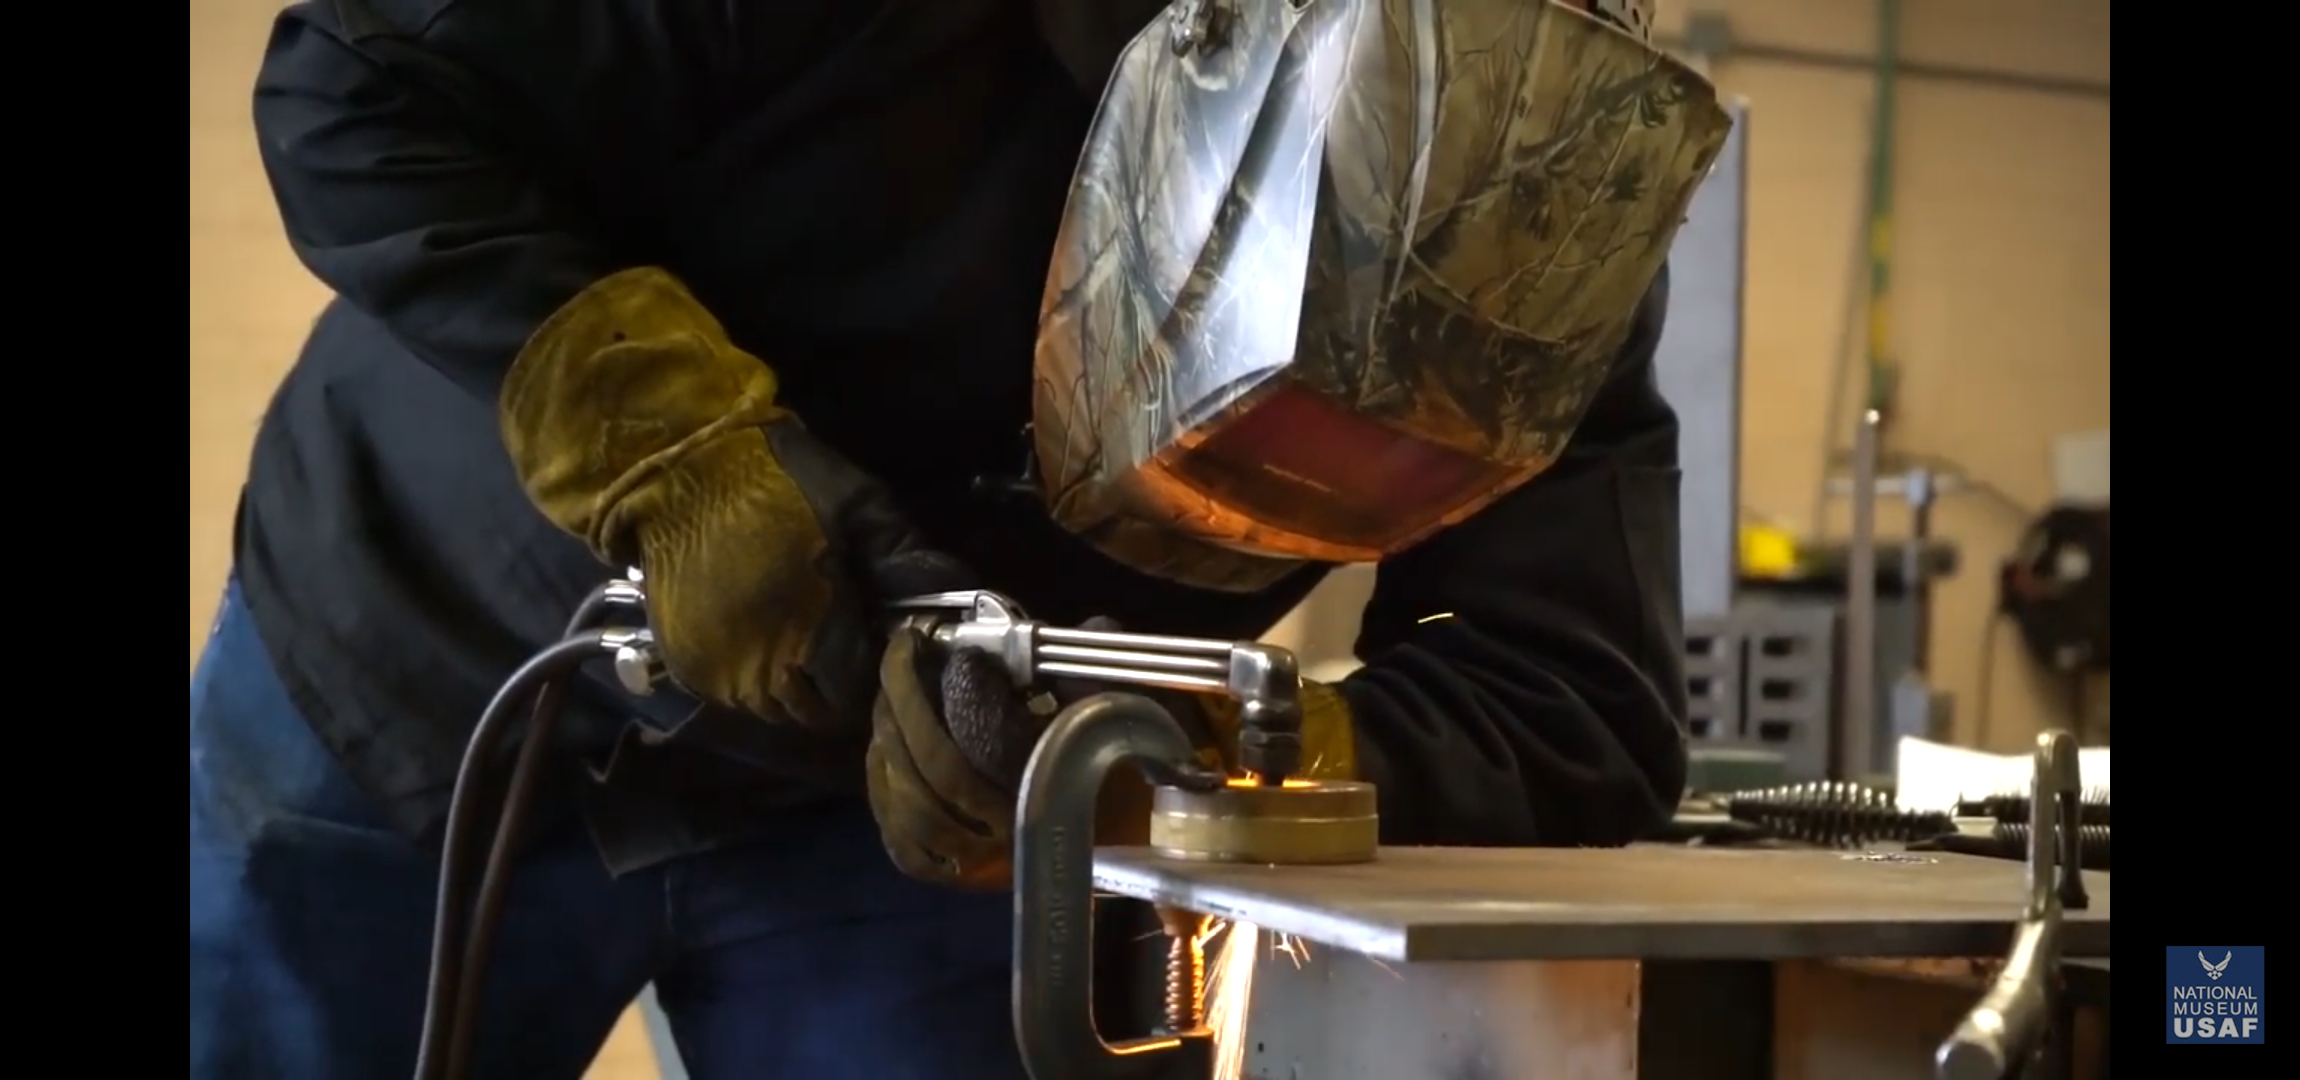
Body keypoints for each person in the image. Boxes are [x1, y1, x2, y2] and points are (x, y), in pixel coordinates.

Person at [189, 1, 1724, 1077]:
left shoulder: (1531, 233)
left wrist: (1149, 751)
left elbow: (1571, 698)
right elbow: (358, 81)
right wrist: (667, 446)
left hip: (917, 818)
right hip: (428, 679)